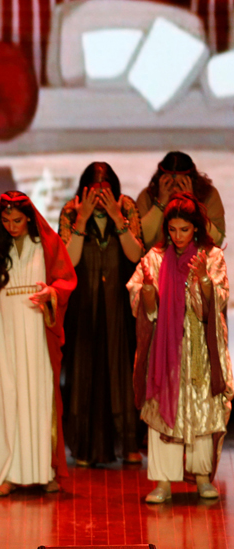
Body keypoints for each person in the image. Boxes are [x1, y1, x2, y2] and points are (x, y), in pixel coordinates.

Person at [0, 191, 75, 496]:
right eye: (6, 220)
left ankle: (45, 471)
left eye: (17, 220)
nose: (11, 226)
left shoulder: (47, 244)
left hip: (36, 325)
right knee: (6, 397)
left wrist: (51, 293)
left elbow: (65, 279)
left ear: (29, 218)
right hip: (3, 328)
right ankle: (8, 473)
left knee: (39, 396)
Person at [127, 193, 232, 503]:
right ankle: (163, 481)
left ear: (195, 227)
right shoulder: (155, 257)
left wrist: (204, 281)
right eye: (172, 230)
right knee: (163, 410)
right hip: (165, 351)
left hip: (199, 349)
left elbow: (217, 302)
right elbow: (141, 300)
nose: (178, 236)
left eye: (184, 229)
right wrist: (148, 290)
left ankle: (202, 477)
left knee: (201, 410)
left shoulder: (211, 257)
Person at [58, 162, 143, 467]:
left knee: (121, 372)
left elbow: (136, 254)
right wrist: (81, 219)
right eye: (94, 191)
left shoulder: (127, 207)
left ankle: (129, 444)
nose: (100, 197)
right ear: (84, 190)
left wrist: (118, 217)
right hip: (84, 303)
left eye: (105, 190)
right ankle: (84, 446)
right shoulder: (71, 211)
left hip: (118, 303)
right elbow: (67, 260)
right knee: (83, 371)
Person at [137, 152, 225, 250]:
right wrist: (159, 204)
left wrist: (193, 204)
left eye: (180, 185)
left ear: (192, 181)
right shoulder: (147, 196)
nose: (175, 190)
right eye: (169, 185)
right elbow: (139, 240)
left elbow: (216, 240)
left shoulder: (209, 194)